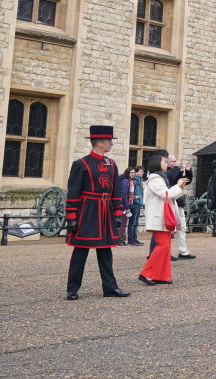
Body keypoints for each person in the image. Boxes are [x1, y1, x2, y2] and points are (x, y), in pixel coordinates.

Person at [64, 125, 130, 300]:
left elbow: (115, 191)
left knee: (106, 251)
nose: (111, 144)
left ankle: (110, 288)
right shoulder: (81, 164)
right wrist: (71, 216)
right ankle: (72, 289)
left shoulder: (112, 164)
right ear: (100, 142)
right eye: (109, 141)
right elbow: (73, 193)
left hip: (105, 210)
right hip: (87, 211)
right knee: (80, 251)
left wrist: (117, 213)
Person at [138, 153, 190, 285]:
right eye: (164, 161)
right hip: (159, 217)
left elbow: (170, 195)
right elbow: (166, 194)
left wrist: (180, 186)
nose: (167, 163)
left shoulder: (160, 178)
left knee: (165, 247)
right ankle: (146, 272)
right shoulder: (155, 178)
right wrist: (178, 185)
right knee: (163, 246)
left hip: (163, 216)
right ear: (157, 162)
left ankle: (160, 275)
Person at [166, 155, 195, 260]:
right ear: (169, 162)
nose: (178, 162)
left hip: (179, 203)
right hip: (171, 204)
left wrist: (188, 171)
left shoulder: (176, 171)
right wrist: (178, 168)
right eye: (175, 161)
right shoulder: (167, 173)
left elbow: (186, 180)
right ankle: (166, 253)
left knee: (181, 228)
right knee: (168, 229)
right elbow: (171, 179)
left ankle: (183, 251)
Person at [115, 168, 133, 246]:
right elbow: (124, 194)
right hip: (122, 205)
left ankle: (120, 239)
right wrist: (127, 206)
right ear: (128, 173)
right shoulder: (125, 181)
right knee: (123, 223)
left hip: (121, 204)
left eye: (134, 172)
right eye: (131, 172)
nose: (133, 174)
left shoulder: (126, 180)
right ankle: (120, 240)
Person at [128, 166, 145, 246]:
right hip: (134, 204)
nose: (142, 173)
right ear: (137, 172)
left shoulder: (140, 181)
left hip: (138, 204)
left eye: (142, 171)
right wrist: (135, 197)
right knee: (132, 223)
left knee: (136, 223)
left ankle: (134, 239)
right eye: (141, 171)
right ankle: (131, 239)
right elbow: (130, 190)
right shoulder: (134, 180)